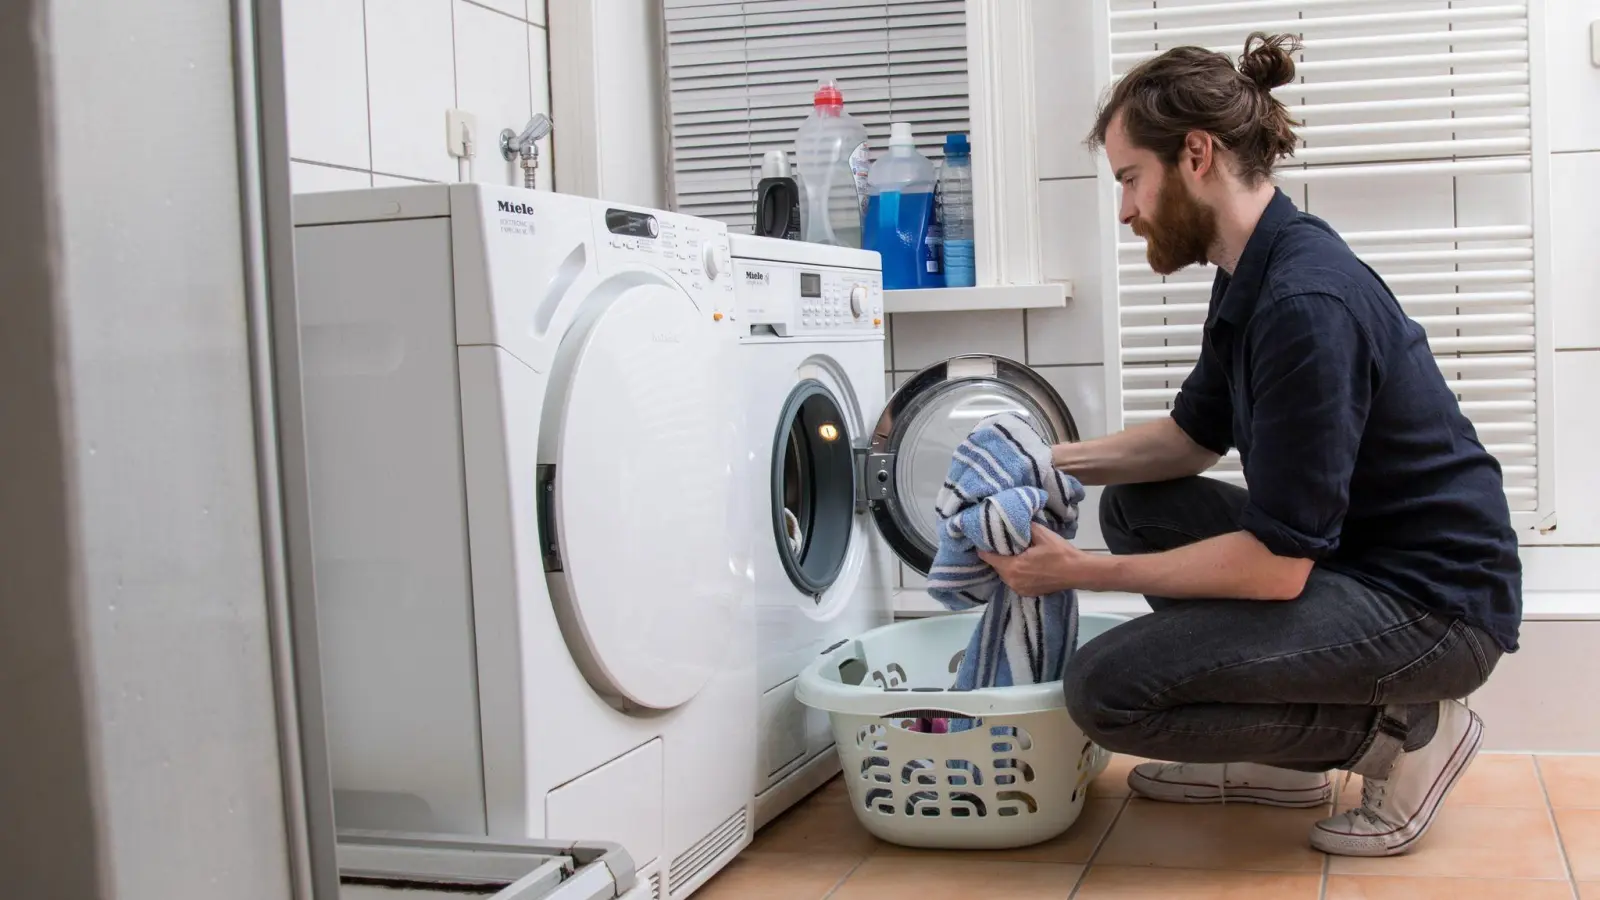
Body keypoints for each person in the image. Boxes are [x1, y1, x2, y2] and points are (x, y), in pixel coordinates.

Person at [979, 32, 1522, 857]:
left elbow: (1277, 566)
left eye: (1130, 179)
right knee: (1139, 508)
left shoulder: (1304, 303)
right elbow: (1191, 440)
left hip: (1434, 610)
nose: (1125, 210)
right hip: (1359, 562)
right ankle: (1279, 763)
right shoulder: (1251, 268)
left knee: (1105, 690)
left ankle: (1404, 736)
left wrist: (1080, 573)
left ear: (1196, 154)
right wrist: (1044, 457)